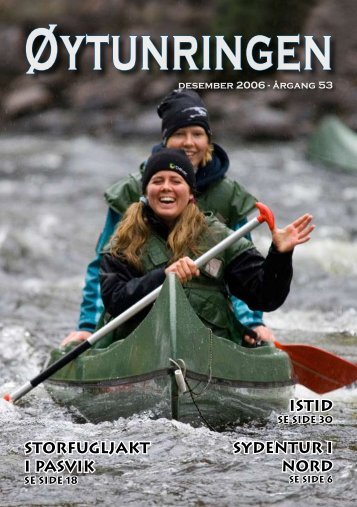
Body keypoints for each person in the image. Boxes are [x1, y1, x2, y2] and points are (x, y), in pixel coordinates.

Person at [62, 89, 272, 346]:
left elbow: (241, 264)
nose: (189, 143)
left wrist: (251, 322)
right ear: (164, 140)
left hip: (208, 313)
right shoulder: (132, 190)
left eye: (197, 134)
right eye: (179, 134)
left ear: (209, 140)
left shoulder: (228, 196)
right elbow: (104, 266)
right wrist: (86, 326)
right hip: (142, 309)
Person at [99, 148, 314, 345]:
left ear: (191, 194)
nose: (166, 187)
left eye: (176, 180)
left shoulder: (219, 237)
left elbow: (265, 297)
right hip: (141, 347)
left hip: (210, 350)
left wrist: (280, 255)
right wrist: (162, 278)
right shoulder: (123, 240)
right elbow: (115, 300)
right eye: (157, 181)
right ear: (146, 192)